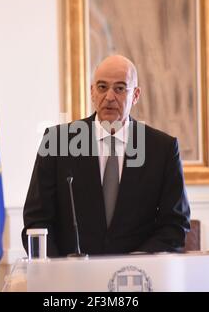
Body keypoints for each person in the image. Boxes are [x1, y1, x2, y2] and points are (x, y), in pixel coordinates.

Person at [21, 55, 190, 257]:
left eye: (119, 88)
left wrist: (138, 263)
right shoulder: (57, 142)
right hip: (71, 280)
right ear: (92, 92)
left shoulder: (162, 149)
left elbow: (175, 224)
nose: (109, 97)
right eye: (102, 87)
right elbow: (36, 220)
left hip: (136, 279)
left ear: (135, 95)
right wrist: (59, 269)